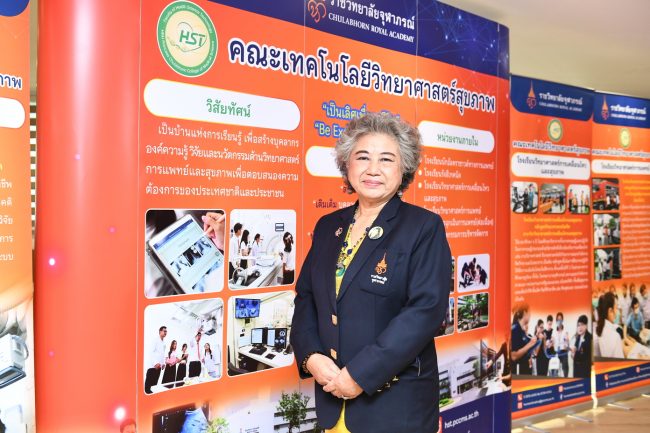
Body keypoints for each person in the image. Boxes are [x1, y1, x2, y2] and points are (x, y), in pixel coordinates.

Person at [291, 113, 451, 433]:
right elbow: (306, 298)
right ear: (347, 164)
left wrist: (360, 375)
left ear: (404, 168)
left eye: (386, 159)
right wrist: (311, 357)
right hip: (332, 398)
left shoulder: (423, 227)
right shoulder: (328, 226)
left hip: (394, 406)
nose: (373, 169)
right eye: (363, 157)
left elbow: (425, 312)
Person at [510, 303, 538, 375]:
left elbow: (523, 351)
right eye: (530, 312)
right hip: (519, 372)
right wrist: (530, 344)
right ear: (525, 312)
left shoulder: (521, 331)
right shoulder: (515, 329)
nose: (530, 315)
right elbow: (514, 356)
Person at [594, 292, 625, 358]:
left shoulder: (599, 330)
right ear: (610, 311)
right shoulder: (615, 337)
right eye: (616, 308)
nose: (617, 312)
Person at [145, 326, 167, 394]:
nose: (165, 332)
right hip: (152, 367)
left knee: (154, 387)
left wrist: (163, 363)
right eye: (164, 331)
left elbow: (162, 354)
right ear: (160, 331)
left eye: (166, 331)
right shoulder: (155, 340)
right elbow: (151, 352)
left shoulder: (164, 343)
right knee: (148, 388)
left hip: (159, 368)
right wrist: (155, 363)